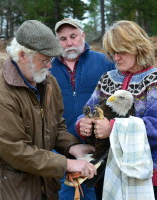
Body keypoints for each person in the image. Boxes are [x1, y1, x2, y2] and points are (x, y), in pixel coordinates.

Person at [0, 20, 96, 200]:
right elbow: (15, 150)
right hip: (3, 190)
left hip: (38, 183)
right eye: (44, 60)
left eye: (51, 59)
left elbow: (56, 126)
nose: (50, 66)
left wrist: (73, 146)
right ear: (22, 55)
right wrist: (66, 164)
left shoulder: (48, 83)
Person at [77, 20, 157, 199]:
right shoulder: (107, 79)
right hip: (107, 176)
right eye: (113, 52)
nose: (116, 58)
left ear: (138, 47)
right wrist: (84, 125)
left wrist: (112, 128)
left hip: (149, 177)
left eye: (121, 51)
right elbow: (89, 112)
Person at [50, 18, 115, 200]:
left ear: (83, 35)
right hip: (62, 151)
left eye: (73, 36)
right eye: (63, 39)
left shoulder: (105, 62)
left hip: (101, 152)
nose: (69, 42)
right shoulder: (48, 68)